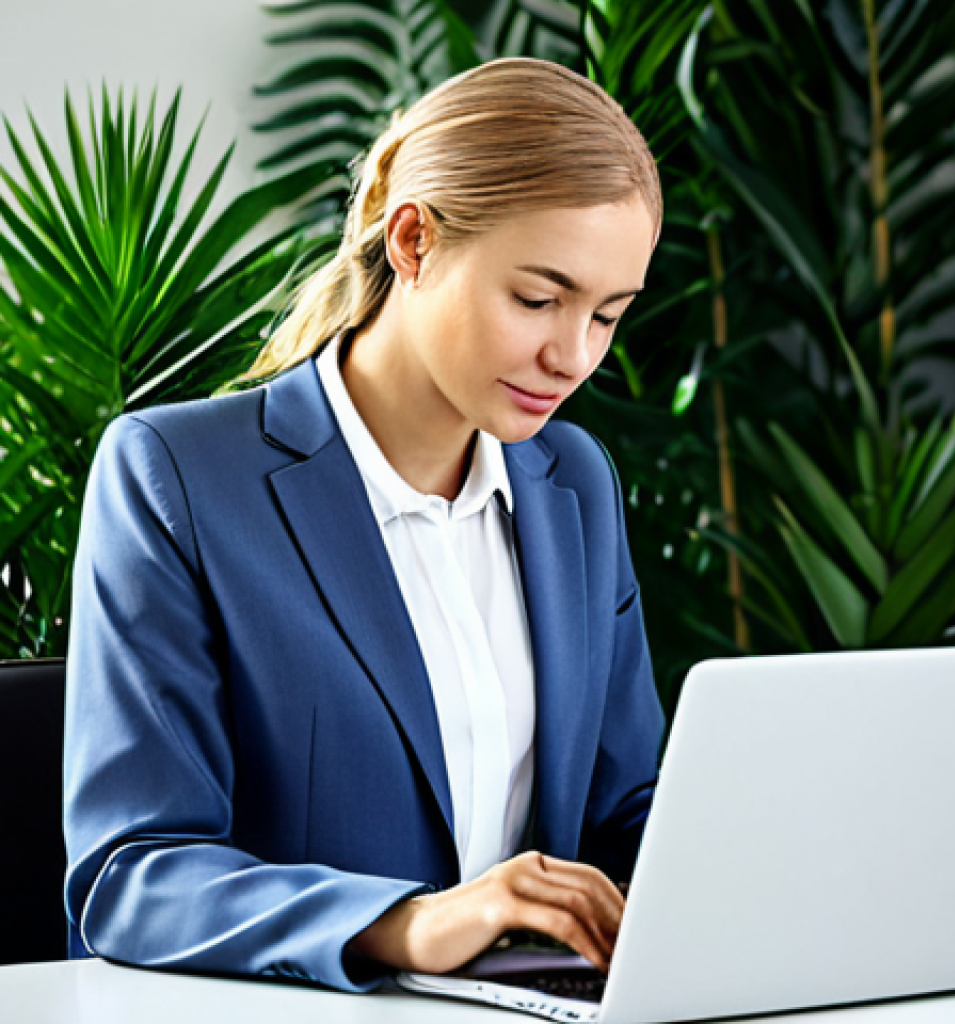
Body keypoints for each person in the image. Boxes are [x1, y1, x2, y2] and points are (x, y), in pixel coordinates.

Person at [63, 56, 664, 992]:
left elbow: (631, 813)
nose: (573, 356)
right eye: (539, 300)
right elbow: (131, 874)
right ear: (413, 242)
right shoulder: (177, 476)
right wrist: (411, 925)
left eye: (608, 316)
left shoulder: (573, 485)